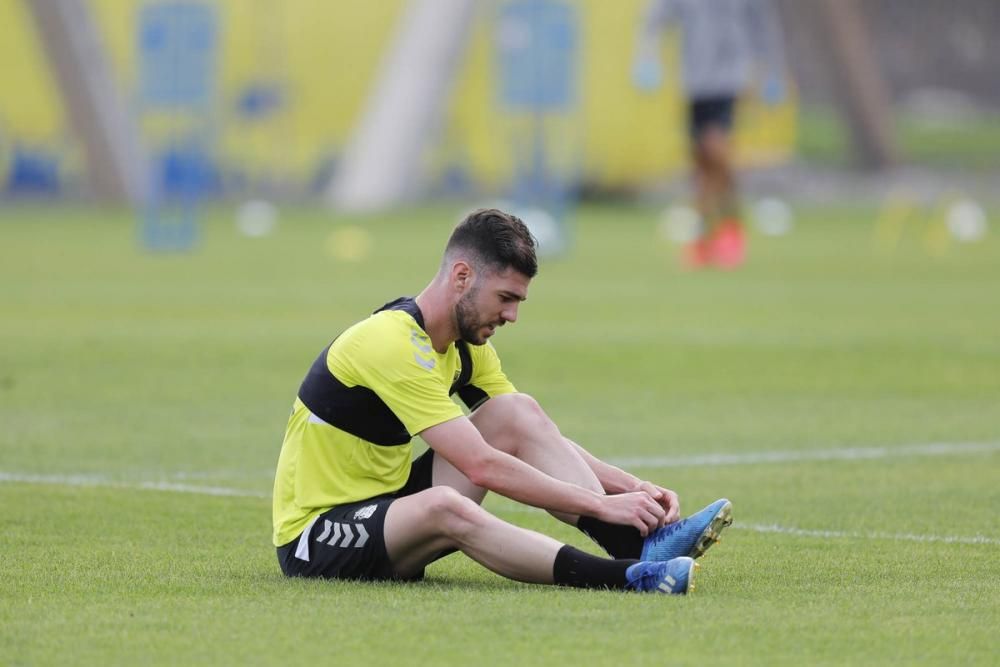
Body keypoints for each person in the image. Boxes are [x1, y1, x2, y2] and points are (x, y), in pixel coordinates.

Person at [272, 208, 733, 594]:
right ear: (461, 276)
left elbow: (537, 437)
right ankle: (628, 577)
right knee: (445, 506)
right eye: (506, 298)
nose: (511, 315)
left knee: (517, 413)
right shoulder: (390, 343)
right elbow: (481, 466)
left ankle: (640, 545)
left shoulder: (466, 347)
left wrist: (631, 488)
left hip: (387, 509)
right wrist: (599, 504)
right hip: (317, 537)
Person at [633, 0, 787, 269]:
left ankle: (731, 227)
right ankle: (706, 237)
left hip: (730, 78)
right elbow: (656, 17)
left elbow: (764, 29)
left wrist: (773, 73)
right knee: (702, 163)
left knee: (716, 148)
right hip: (694, 82)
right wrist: (646, 56)